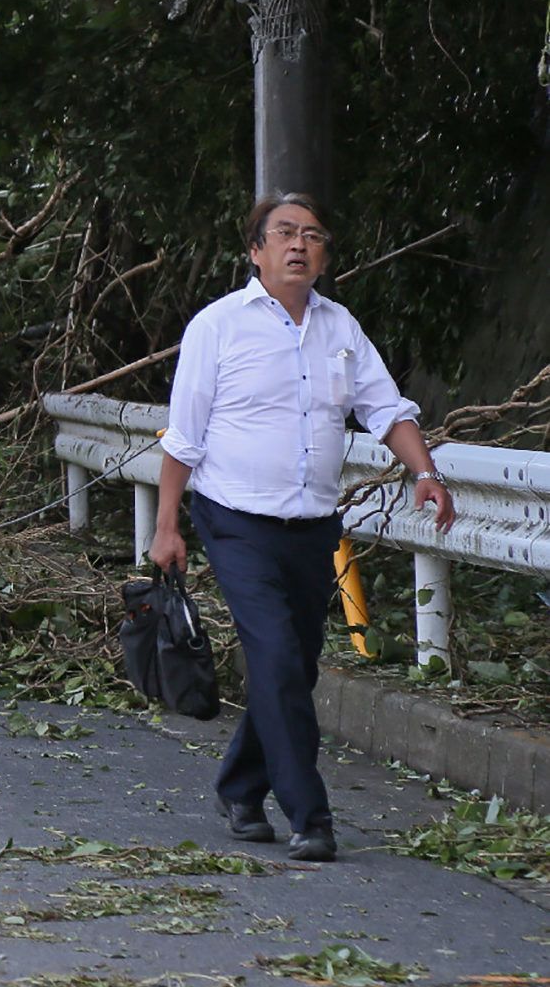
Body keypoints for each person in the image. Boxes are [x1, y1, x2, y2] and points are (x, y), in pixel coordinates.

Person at [149, 193, 454, 863]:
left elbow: (386, 408)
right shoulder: (218, 326)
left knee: (298, 668)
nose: (300, 245)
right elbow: (184, 435)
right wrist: (167, 525)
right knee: (278, 659)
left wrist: (425, 473)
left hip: (314, 526)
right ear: (255, 250)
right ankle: (310, 816)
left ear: (323, 255)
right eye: (284, 233)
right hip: (234, 520)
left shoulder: (341, 328)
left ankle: (238, 784)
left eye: (313, 236)